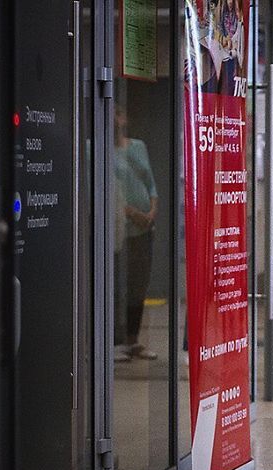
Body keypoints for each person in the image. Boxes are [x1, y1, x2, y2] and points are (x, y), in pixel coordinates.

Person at [113, 104, 159, 361]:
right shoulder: (94, 149)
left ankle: (133, 340)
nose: (116, 119)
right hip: (118, 231)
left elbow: (150, 184)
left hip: (143, 229)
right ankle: (112, 341)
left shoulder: (138, 147)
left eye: (119, 114)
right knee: (116, 285)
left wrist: (151, 212)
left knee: (138, 286)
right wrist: (130, 212)